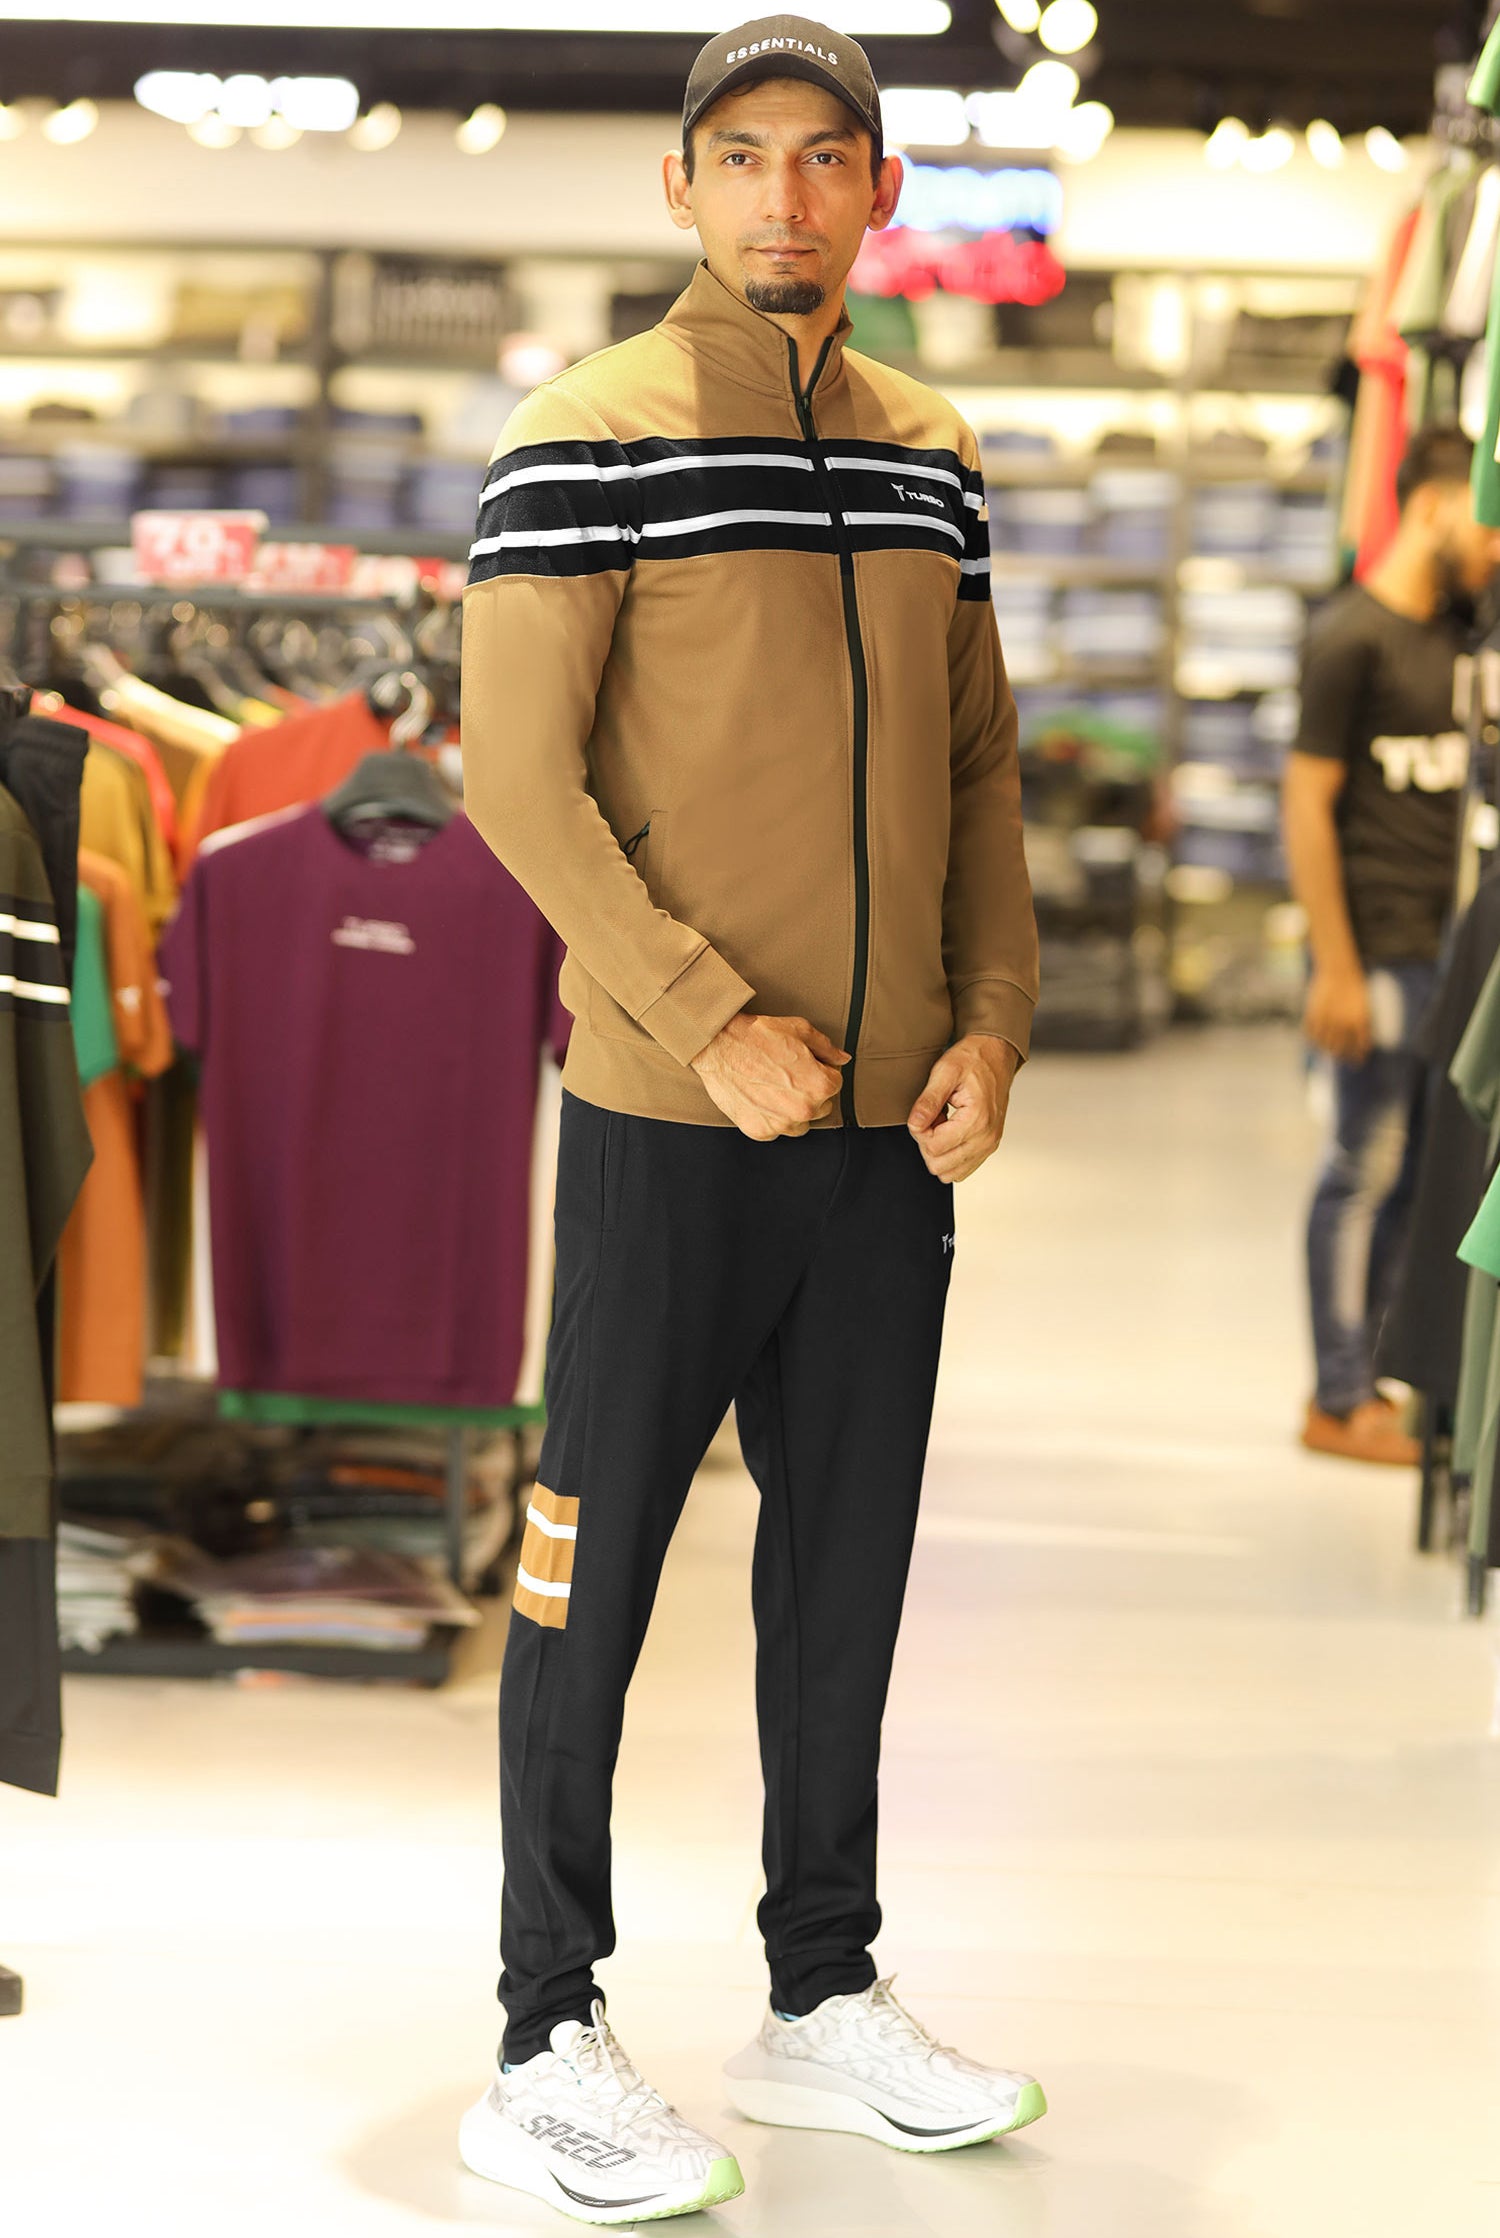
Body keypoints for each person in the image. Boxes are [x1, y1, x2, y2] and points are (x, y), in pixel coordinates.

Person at [458, 13, 1042, 2225]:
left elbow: (978, 770)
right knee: (586, 1566)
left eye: (823, 157)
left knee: (848, 1565)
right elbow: (522, 784)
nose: (783, 195)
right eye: (742, 156)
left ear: (880, 192)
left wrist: (992, 1022)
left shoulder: (930, 451)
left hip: (890, 1141)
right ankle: (541, 2030)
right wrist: (706, 1024)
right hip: (669, 1120)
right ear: (681, 189)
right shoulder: (586, 433)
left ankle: (820, 1986)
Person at [1284, 424, 1500, 1466]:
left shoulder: (1460, 640)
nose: (1492, 545)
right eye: (1483, 522)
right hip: (1374, 951)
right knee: (1361, 1170)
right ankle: (1335, 1397)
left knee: (1416, 1173)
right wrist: (1333, 965)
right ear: (1429, 507)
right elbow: (1305, 805)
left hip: (1448, 951)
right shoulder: (1350, 639)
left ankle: (1375, 1381)